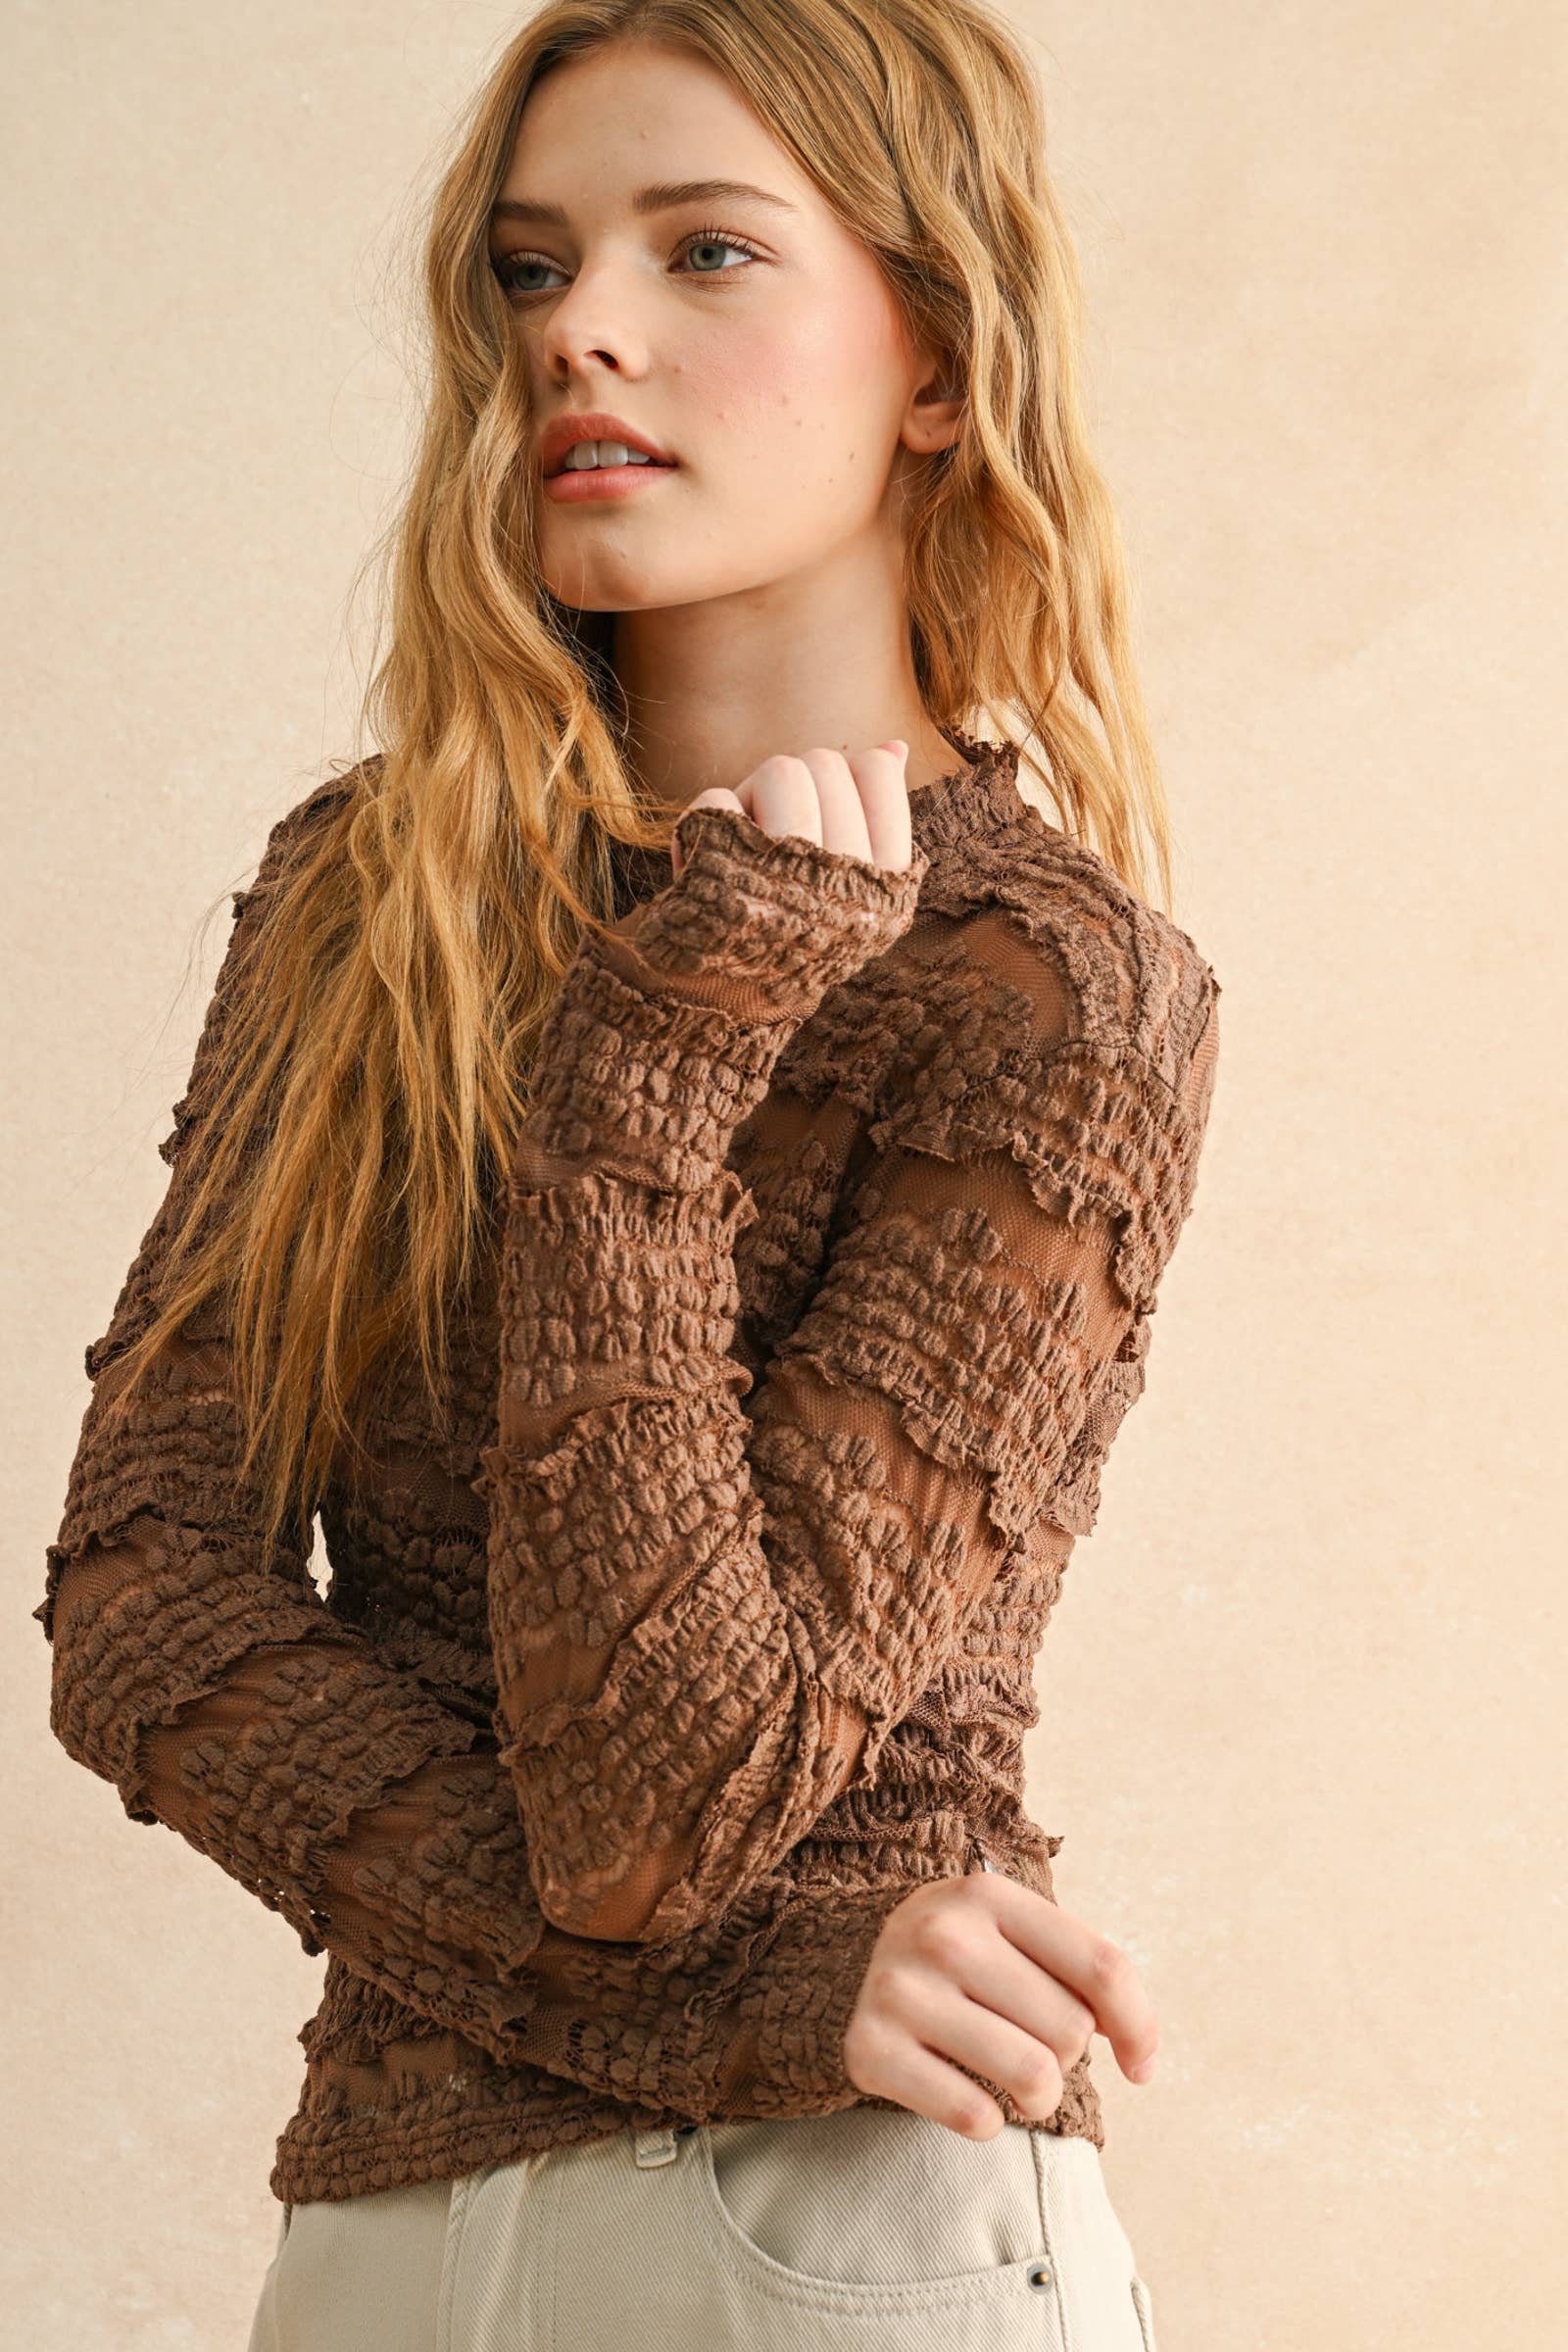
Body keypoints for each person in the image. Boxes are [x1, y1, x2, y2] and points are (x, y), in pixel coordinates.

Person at [37, 3, 1220, 2345]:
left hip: (834, 2215)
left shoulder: (1050, 990)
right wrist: (736, 1998)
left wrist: (662, 1053)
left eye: (703, 251)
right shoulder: (369, 903)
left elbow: (663, 1807)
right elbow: (144, 1603)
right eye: (529, 265)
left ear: (934, 362)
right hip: (390, 2236)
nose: (579, 326)